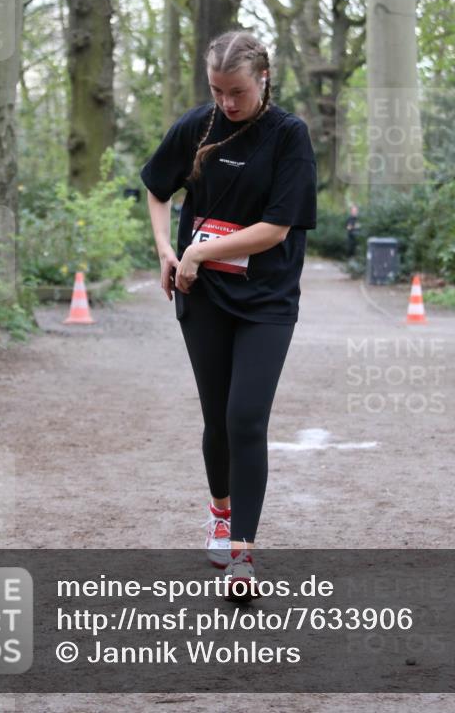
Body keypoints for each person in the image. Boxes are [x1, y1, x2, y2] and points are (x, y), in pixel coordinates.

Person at [140, 30, 317, 597]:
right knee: (217, 417)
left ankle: (243, 554)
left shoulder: (289, 136)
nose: (227, 103)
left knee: (246, 418)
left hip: (266, 299)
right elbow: (156, 187)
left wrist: (197, 249)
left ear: (263, 79)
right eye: (217, 91)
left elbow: (276, 229)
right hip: (205, 296)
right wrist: (167, 250)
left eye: (237, 91)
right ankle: (220, 511)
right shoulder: (200, 125)